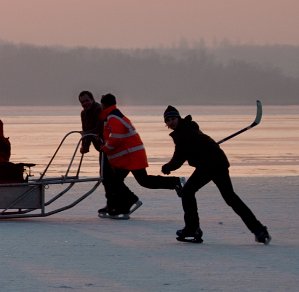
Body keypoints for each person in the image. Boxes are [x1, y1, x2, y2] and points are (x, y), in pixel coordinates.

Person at [160, 106, 271, 244]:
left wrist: (167, 168)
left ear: (179, 118)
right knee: (225, 197)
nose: (171, 122)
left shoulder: (182, 134)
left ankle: (192, 229)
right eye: (168, 120)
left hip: (212, 165)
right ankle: (259, 230)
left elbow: (178, 159)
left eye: (173, 119)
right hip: (211, 163)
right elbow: (194, 147)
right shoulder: (189, 128)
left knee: (190, 192)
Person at [99, 93, 182, 217]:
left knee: (128, 181)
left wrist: (105, 148)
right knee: (117, 181)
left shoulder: (113, 117)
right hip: (129, 156)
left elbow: (117, 137)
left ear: (103, 105)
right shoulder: (115, 115)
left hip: (131, 156)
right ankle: (123, 205)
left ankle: (129, 201)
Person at [78, 91, 113, 216]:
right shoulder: (83, 113)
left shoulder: (98, 109)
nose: (85, 104)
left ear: (92, 99)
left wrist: (86, 135)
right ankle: (111, 203)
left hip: (109, 147)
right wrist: (84, 147)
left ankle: (115, 202)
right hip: (101, 148)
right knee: (105, 176)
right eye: (82, 102)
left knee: (108, 176)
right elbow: (86, 131)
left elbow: (99, 128)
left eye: (87, 100)